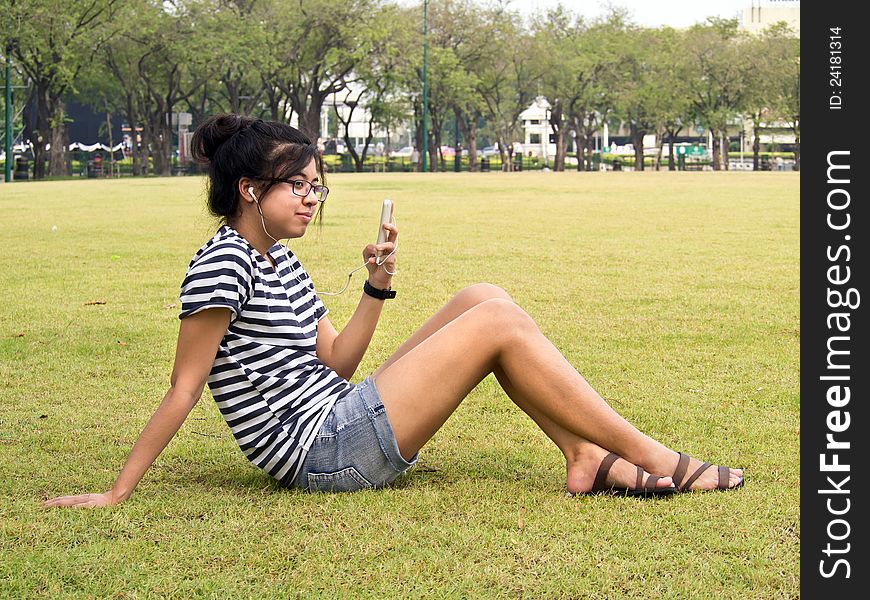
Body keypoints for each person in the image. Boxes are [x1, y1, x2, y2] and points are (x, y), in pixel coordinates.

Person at [44, 115, 743, 508]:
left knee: (485, 299)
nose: (312, 200)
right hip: (320, 455)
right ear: (251, 189)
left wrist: (376, 286)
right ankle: (650, 455)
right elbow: (184, 388)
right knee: (496, 325)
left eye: (318, 186)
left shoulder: (277, 257)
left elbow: (337, 361)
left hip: (339, 415)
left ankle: (585, 454)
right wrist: (115, 493)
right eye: (299, 187)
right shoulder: (222, 264)